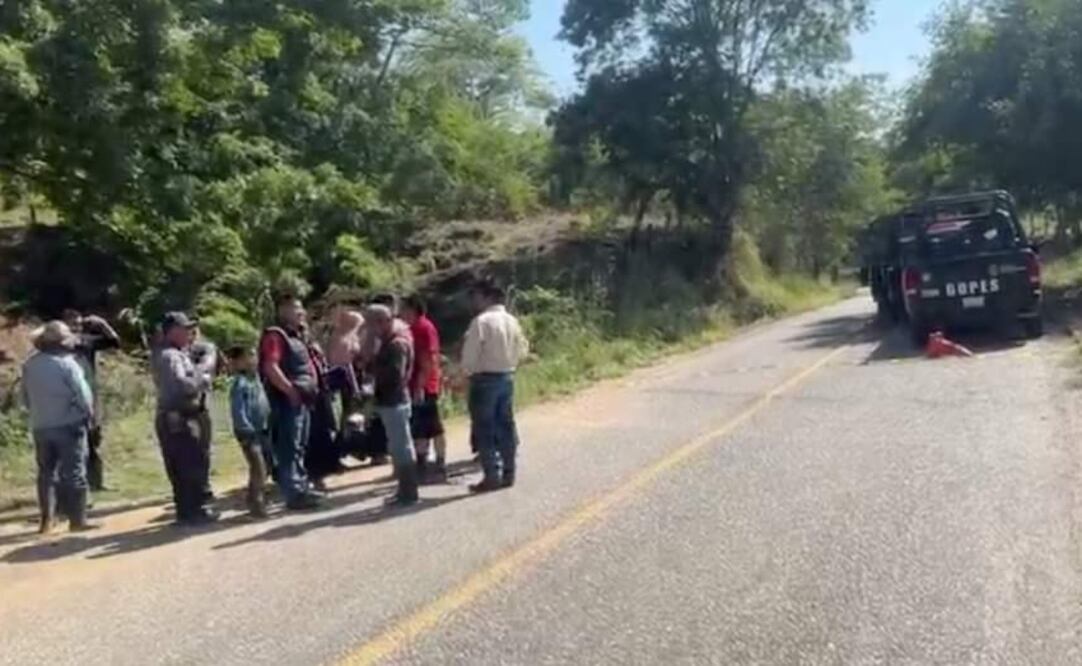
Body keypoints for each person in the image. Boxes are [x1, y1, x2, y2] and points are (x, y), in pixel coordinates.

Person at [21, 321, 98, 534]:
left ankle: (47, 520)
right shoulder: (67, 364)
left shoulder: (30, 364)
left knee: (45, 473)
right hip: (69, 423)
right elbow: (82, 395)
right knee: (74, 472)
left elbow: (25, 397)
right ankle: (78, 520)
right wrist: (89, 415)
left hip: (41, 425)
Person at [151, 312, 218, 525]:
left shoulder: (173, 353)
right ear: (173, 331)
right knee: (189, 465)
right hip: (179, 416)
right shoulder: (171, 356)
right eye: (185, 329)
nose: (189, 333)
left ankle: (188, 511)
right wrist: (202, 373)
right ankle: (193, 512)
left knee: (185, 465)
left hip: (177, 416)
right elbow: (182, 386)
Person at [462, 280, 529, 493]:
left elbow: (469, 356)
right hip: (506, 377)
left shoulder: (481, 322)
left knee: (485, 428)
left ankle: (492, 475)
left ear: (486, 296)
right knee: (506, 425)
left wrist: (467, 372)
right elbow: (523, 349)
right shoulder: (512, 320)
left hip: (484, 379)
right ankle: (509, 473)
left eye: (476, 296)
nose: (473, 301)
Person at [259, 295, 323, 511]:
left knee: (299, 446)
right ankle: (293, 493)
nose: (301, 312)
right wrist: (289, 390)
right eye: (296, 308)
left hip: (302, 399)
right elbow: (271, 366)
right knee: (289, 447)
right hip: (287, 402)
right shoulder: (276, 336)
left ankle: (301, 487)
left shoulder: (297, 336)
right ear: (282, 311)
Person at [62, 309, 121, 492]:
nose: (76, 329)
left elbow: (114, 342)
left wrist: (102, 324)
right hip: (66, 398)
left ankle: (96, 482)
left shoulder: (85, 342)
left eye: (79, 325)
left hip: (89, 393)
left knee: (93, 438)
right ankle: (73, 484)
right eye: (72, 325)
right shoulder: (57, 346)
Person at [367, 304, 419, 506]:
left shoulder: (396, 344)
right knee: (397, 447)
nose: (371, 329)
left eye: (373, 324)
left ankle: (409, 491)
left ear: (383, 322)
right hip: (390, 400)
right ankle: (403, 490)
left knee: (402, 447)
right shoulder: (386, 343)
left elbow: (395, 375)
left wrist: (374, 374)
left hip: (395, 400)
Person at [401, 295, 447, 482]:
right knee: (420, 428)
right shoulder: (414, 328)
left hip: (424, 385)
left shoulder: (422, 328)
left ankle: (438, 464)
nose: (400, 312)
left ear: (412, 308)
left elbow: (428, 360)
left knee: (432, 427)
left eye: (403, 308)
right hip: (419, 384)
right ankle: (423, 464)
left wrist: (420, 386)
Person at [227, 345, 271, 518]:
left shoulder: (256, 379)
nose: (253, 360)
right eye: (247, 357)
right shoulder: (240, 383)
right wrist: (245, 429)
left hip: (263, 429)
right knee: (258, 467)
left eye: (254, 356)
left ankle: (258, 495)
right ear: (238, 363)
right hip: (249, 432)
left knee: (266, 465)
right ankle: (255, 504)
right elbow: (238, 410)